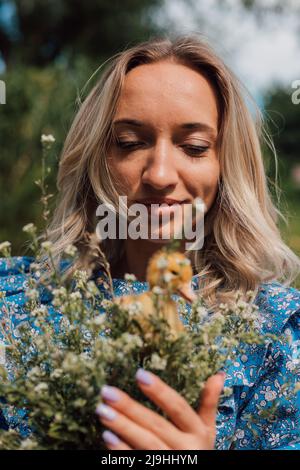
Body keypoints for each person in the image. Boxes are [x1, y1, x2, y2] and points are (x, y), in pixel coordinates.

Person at [0, 35, 299, 450]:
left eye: (193, 147)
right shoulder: (15, 305)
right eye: (129, 143)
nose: (159, 174)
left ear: (226, 165)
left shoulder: (277, 335)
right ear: (96, 157)